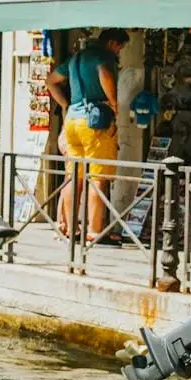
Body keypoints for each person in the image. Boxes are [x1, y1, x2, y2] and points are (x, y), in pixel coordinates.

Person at [48, 28, 128, 244]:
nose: (120, 51)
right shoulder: (104, 57)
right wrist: (113, 103)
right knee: (98, 178)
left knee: (75, 176)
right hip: (95, 121)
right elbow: (104, 73)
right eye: (120, 46)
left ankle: (71, 229)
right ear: (112, 43)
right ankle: (94, 231)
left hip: (73, 121)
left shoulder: (76, 59)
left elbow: (51, 81)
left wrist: (66, 104)